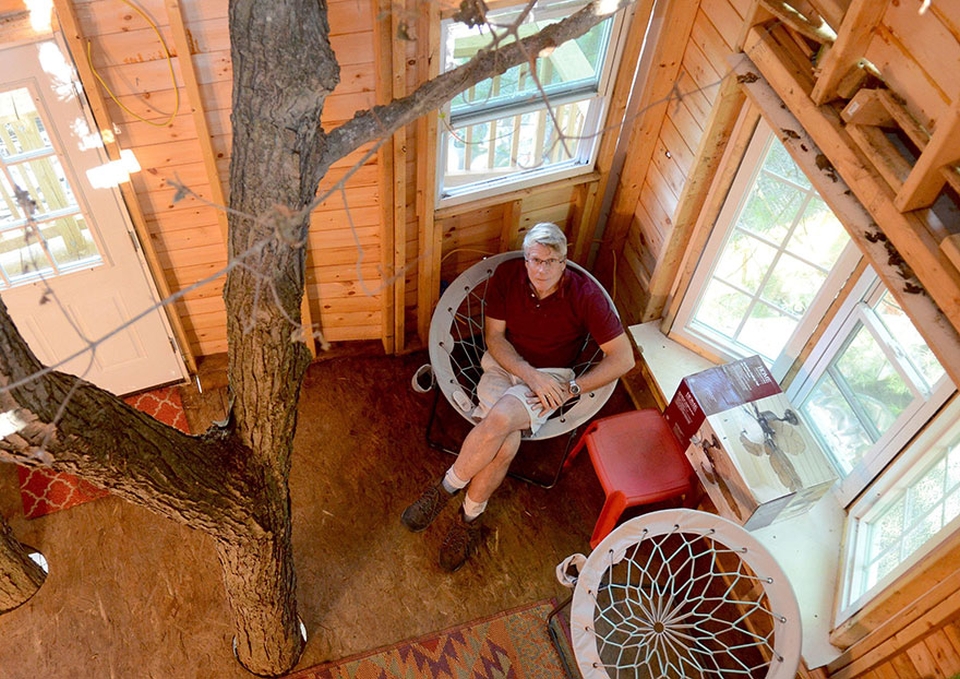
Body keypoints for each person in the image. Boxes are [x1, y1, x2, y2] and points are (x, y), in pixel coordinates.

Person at [401, 222, 635, 571]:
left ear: (564, 261)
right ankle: (469, 520)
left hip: (554, 377)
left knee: (498, 419)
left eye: (551, 261)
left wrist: (570, 389)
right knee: (505, 446)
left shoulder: (585, 294)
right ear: (525, 259)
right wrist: (529, 375)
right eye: (535, 260)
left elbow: (624, 359)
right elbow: (495, 339)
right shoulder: (508, 276)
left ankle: (445, 489)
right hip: (506, 363)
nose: (541, 269)